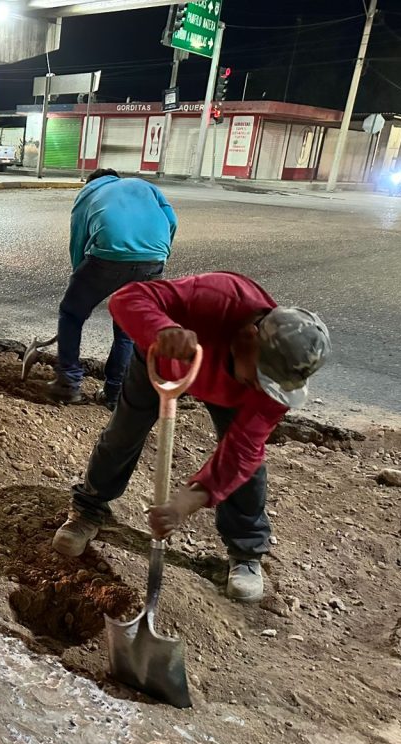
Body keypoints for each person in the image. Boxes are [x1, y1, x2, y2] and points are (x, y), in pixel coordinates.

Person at [51, 272, 331, 603]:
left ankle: (245, 551)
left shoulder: (274, 388)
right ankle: (88, 509)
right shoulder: (218, 298)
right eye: (263, 376)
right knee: (122, 434)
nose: (264, 388)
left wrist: (183, 505)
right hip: (162, 363)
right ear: (249, 336)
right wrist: (162, 329)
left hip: (230, 391)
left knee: (248, 468)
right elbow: (127, 298)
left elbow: (241, 453)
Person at [47, 169, 177, 410]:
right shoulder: (144, 186)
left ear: (91, 182)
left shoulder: (88, 194)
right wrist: (159, 255)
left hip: (108, 256)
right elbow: (172, 221)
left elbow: (78, 241)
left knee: (71, 313)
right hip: (153, 258)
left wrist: (79, 283)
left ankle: (68, 385)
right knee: (127, 327)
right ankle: (115, 393)